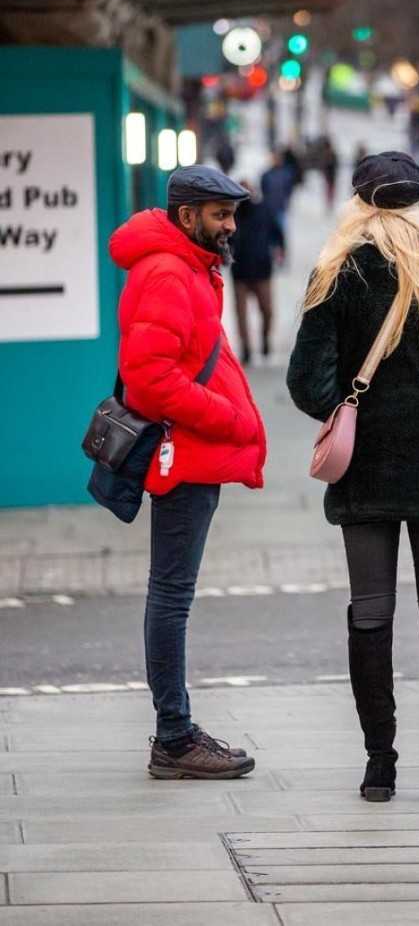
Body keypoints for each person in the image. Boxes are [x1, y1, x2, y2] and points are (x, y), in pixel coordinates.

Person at [286, 151, 419, 804]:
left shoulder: (335, 274)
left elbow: (306, 381)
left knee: (371, 614)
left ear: (360, 204)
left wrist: (348, 406)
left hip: (367, 478)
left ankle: (380, 767)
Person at [109, 165, 267, 779]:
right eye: (219, 215)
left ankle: (174, 733)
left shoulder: (191, 268)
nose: (231, 226)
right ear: (186, 217)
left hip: (195, 454)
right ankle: (174, 738)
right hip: (185, 455)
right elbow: (150, 382)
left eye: (232, 215)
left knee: (172, 593)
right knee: (171, 595)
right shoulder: (170, 273)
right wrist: (228, 419)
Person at [230, 179, 284, 364]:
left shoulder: (263, 209)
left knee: (267, 311)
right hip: (240, 271)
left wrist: (279, 250)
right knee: (241, 314)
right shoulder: (232, 214)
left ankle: (265, 340)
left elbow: (278, 232)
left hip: (262, 269)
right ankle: (246, 348)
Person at [260, 145, 303, 249]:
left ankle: (280, 250)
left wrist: (287, 199)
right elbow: (263, 188)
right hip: (269, 208)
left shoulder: (286, 173)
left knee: (280, 230)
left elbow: (289, 188)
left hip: (280, 207)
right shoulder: (266, 174)